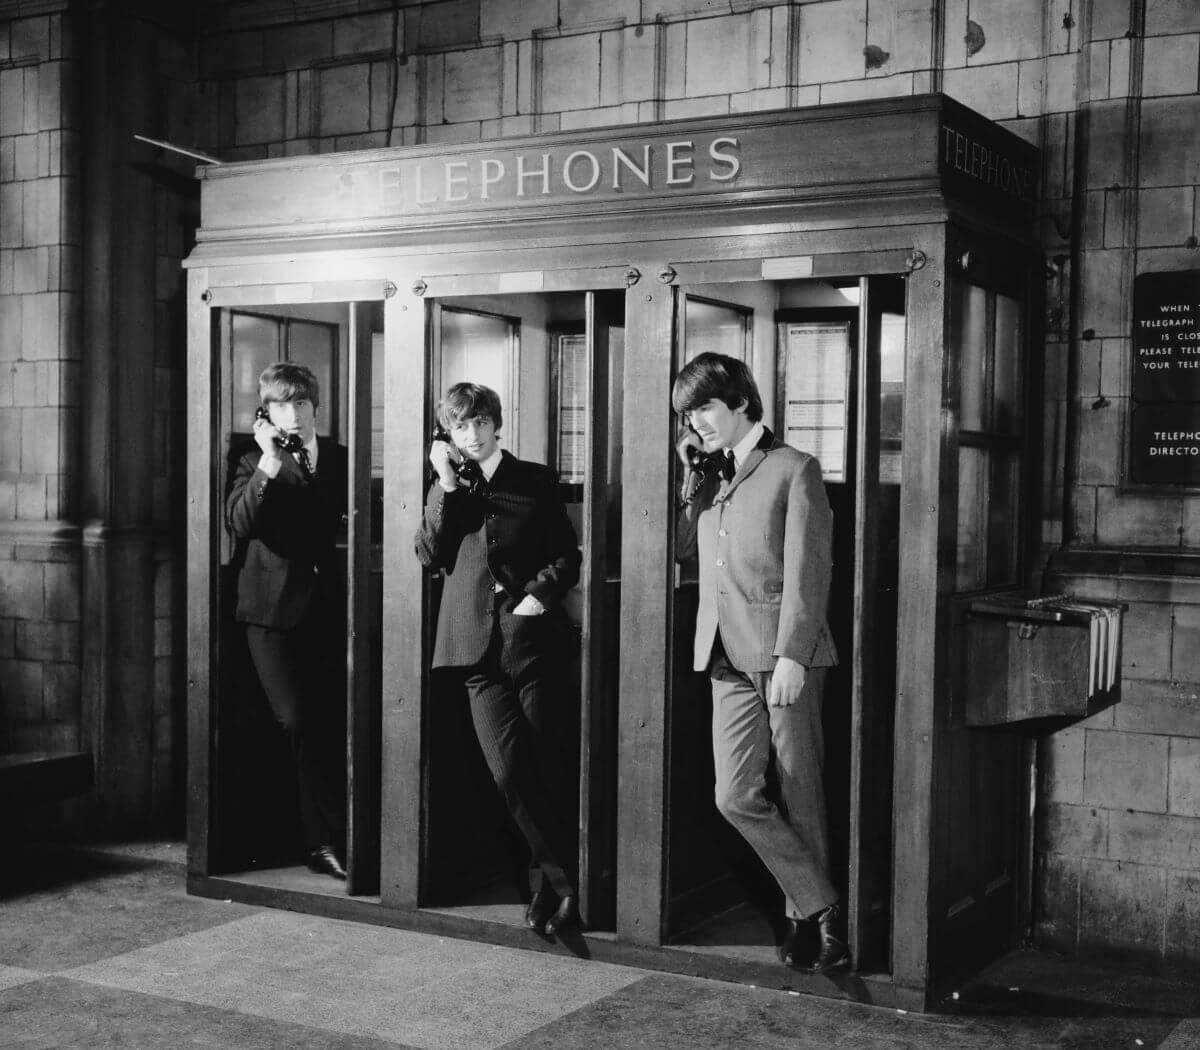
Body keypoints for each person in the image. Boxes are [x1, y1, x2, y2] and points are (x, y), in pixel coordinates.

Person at [673, 352, 847, 973]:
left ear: (740, 401)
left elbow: (810, 569)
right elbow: (683, 552)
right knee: (734, 794)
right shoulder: (711, 475)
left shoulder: (794, 468)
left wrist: (794, 654)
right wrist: (689, 482)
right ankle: (822, 903)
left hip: (782, 654)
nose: (696, 422)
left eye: (705, 408)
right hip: (722, 654)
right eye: (688, 414)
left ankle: (810, 922)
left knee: (801, 788)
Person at [415, 382, 582, 936]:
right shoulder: (448, 488)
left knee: (545, 767)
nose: (473, 433)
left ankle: (545, 889)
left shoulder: (533, 479)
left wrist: (540, 591)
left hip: (533, 642)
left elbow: (566, 553)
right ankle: (566, 884)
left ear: (496, 423)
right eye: (461, 426)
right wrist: (444, 481)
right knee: (509, 772)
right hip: (473, 653)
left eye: (481, 422)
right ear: (450, 433)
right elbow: (428, 553)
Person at [226, 362, 349, 881]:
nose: (293, 414)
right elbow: (240, 522)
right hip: (270, 613)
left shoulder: (341, 458)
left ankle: (321, 844)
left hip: (326, 609)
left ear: (316, 408)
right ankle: (336, 835)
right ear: (266, 412)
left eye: (300, 404)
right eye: (281, 405)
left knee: (326, 723)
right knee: (295, 720)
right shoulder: (252, 458)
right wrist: (269, 464)